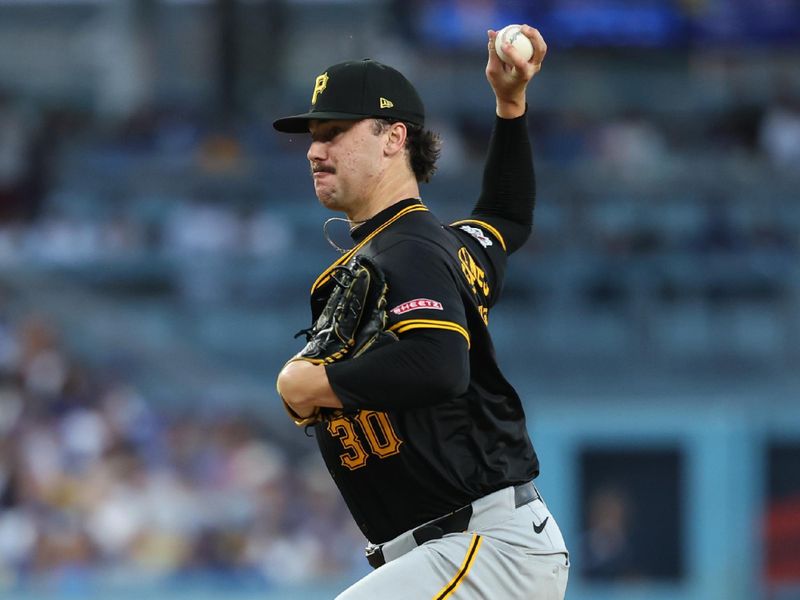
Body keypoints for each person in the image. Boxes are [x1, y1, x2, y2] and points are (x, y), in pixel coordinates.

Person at [275, 25, 569, 600]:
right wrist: (510, 107)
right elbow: (507, 216)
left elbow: (439, 364)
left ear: (393, 138)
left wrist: (318, 380)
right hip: (467, 550)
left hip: (481, 548)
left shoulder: (406, 247)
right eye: (313, 135)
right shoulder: (443, 246)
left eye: (335, 132)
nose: (315, 148)